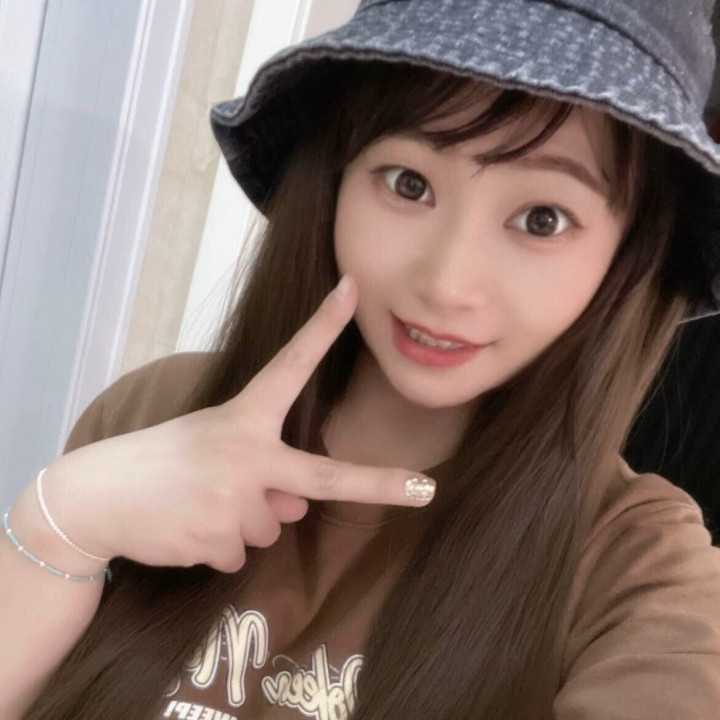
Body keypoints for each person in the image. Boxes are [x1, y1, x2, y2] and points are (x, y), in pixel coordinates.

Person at [3, 0, 720, 718]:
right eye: (408, 183)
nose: (446, 284)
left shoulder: (636, 566)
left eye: (542, 219)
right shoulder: (155, 412)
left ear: (628, 255)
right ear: (337, 177)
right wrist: (58, 525)